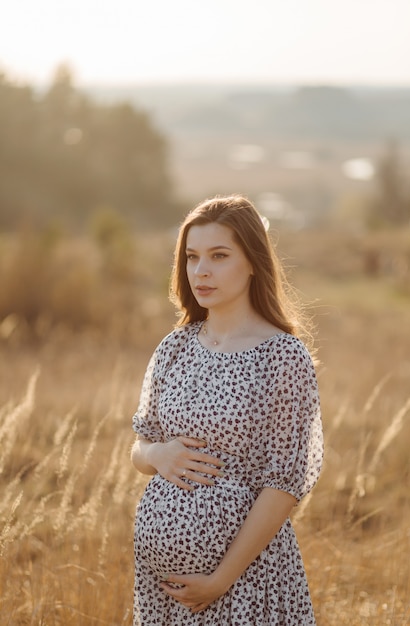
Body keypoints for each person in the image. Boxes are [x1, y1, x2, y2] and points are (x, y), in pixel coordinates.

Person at [131, 195, 323, 625]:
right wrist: (157, 455)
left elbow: (284, 486)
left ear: (253, 261)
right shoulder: (175, 347)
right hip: (163, 594)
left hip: (247, 583)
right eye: (192, 257)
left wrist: (221, 579)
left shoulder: (282, 357)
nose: (201, 271)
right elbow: (140, 446)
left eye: (219, 256)